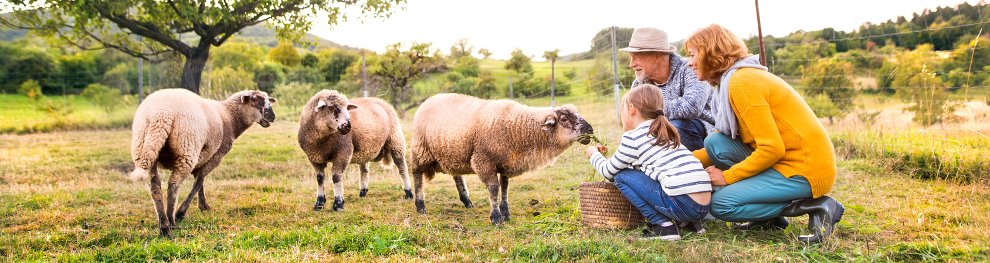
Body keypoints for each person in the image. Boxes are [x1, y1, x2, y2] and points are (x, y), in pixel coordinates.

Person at [684, 24, 844, 243]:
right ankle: (769, 219)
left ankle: (817, 205)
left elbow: (772, 148)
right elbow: (723, 146)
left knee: (721, 204)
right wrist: (678, 161)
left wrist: (728, 177)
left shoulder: (742, 83)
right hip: (784, 160)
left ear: (711, 53)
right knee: (716, 143)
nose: (690, 62)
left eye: (693, 55)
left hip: (804, 168)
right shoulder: (731, 82)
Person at [585, 84, 712, 241]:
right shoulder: (664, 132)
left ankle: (663, 227)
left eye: (622, 110)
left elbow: (608, 172)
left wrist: (594, 155)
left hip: (684, 204)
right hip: (703, 205)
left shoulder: (633, 137)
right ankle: (688, 223)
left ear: (631, 108)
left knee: (621, 176)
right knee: (656, 176)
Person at [620, 27, 714, 151]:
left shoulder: (691, 68)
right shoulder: (639, 85)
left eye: (636, 57)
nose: (631, 64)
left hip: (707, 137)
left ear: (657, 55)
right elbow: (632, 122)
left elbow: (692, 106)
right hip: (663, 139)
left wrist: (647, 111)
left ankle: (697, 167)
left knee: (675, 126)